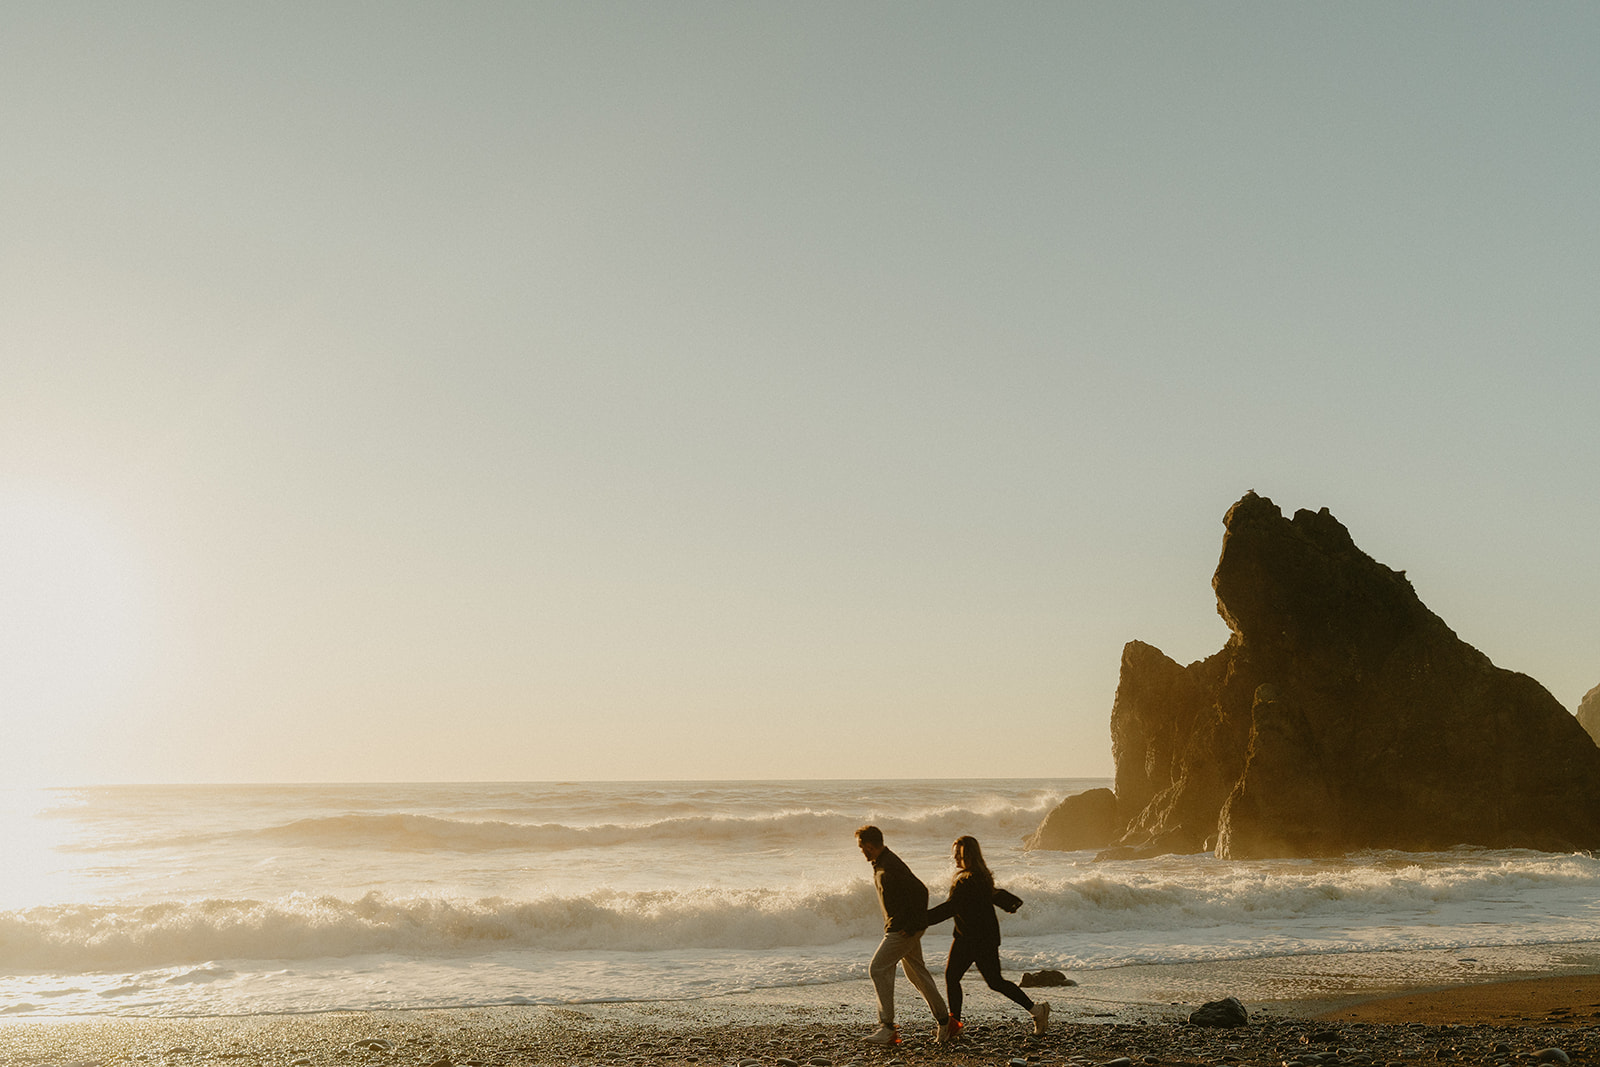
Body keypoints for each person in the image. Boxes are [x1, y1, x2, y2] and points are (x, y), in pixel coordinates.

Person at [924, 835, 1049, 1035]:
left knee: (992, 982)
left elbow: (950, 908)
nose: (955, 858)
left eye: (958, 854)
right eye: (954, 854)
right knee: (956, 977)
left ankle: (1038, 1010)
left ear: (969, 856)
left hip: (980, 940)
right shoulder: (979, 876)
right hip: (969, 937)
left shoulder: (967, 880)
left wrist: (920, 920)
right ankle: (954, 1024)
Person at [855, 824, 952, 1045]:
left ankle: (887, 1028)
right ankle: (945, 1022)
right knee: (916, 973)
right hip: (903, 926)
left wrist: (912, 925)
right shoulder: (882, 862)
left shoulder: (890, 866)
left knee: (877, 968)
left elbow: (921, 891)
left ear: (870, 846)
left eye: (862, 847)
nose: (861, 851)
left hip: (902, 929)